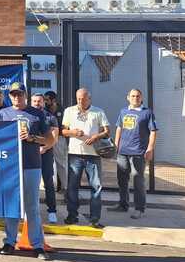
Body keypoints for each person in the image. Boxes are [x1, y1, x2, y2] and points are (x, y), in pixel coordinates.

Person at [0, 82, 54, 260]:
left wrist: (31, 138)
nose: (16, 97)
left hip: (32, 165)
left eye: (19, 94)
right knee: (11, 206)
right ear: (9, 96)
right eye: (13, 94)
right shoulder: (3, 114)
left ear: (25, 95)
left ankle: (37, 245)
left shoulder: (36, 114)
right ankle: (9, 242)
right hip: (10, 167)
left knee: (32, 207)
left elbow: (49, 140)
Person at [61, 88, 111, 228]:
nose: (80, 101)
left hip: (93, 155)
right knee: (72, 187)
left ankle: (94, 219)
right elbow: (63, 131)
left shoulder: (98, 111)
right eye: (78, 99)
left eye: (83, 99)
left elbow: (107, 131)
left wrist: (96, 136)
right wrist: (73, 132)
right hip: (75, 154)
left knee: (96, 187)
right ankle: (72, 216)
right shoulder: (69, 111)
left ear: (89, 98)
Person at [109, 89, 158, 219]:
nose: (135, 98)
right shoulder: (123, 111)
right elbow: (119, 128)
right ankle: (123, 204)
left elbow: (153, 131)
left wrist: (150, 149)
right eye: (133, 96)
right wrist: (116, 145)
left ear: (141, 98)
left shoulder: (147, 112)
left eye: (138, 96)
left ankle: (139, 208)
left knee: (138, 181)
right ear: (128, 98)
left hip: (138, 153)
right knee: (122, 180)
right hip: (122, 152)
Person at [31, 93, 59, 224]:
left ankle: (52, 211)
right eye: (35, 101)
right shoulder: (27, 115)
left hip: (46, 153)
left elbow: (54, 138)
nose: (37, 103)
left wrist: (45, 148)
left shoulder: (51, 117)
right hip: (30, 153)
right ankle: (31, 211)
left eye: (39, 101)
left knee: (48, 182)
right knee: (31, 184)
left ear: (43, 102)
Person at [44, 91, 67, 191]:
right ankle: (52, 187)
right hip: (47, 138)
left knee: (61, 163)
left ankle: (66, 187)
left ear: (53, 100)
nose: (45, 102)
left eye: (47, 100)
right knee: (50, 164)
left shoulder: (63, 110)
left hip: (60, 138)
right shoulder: (44, 110)